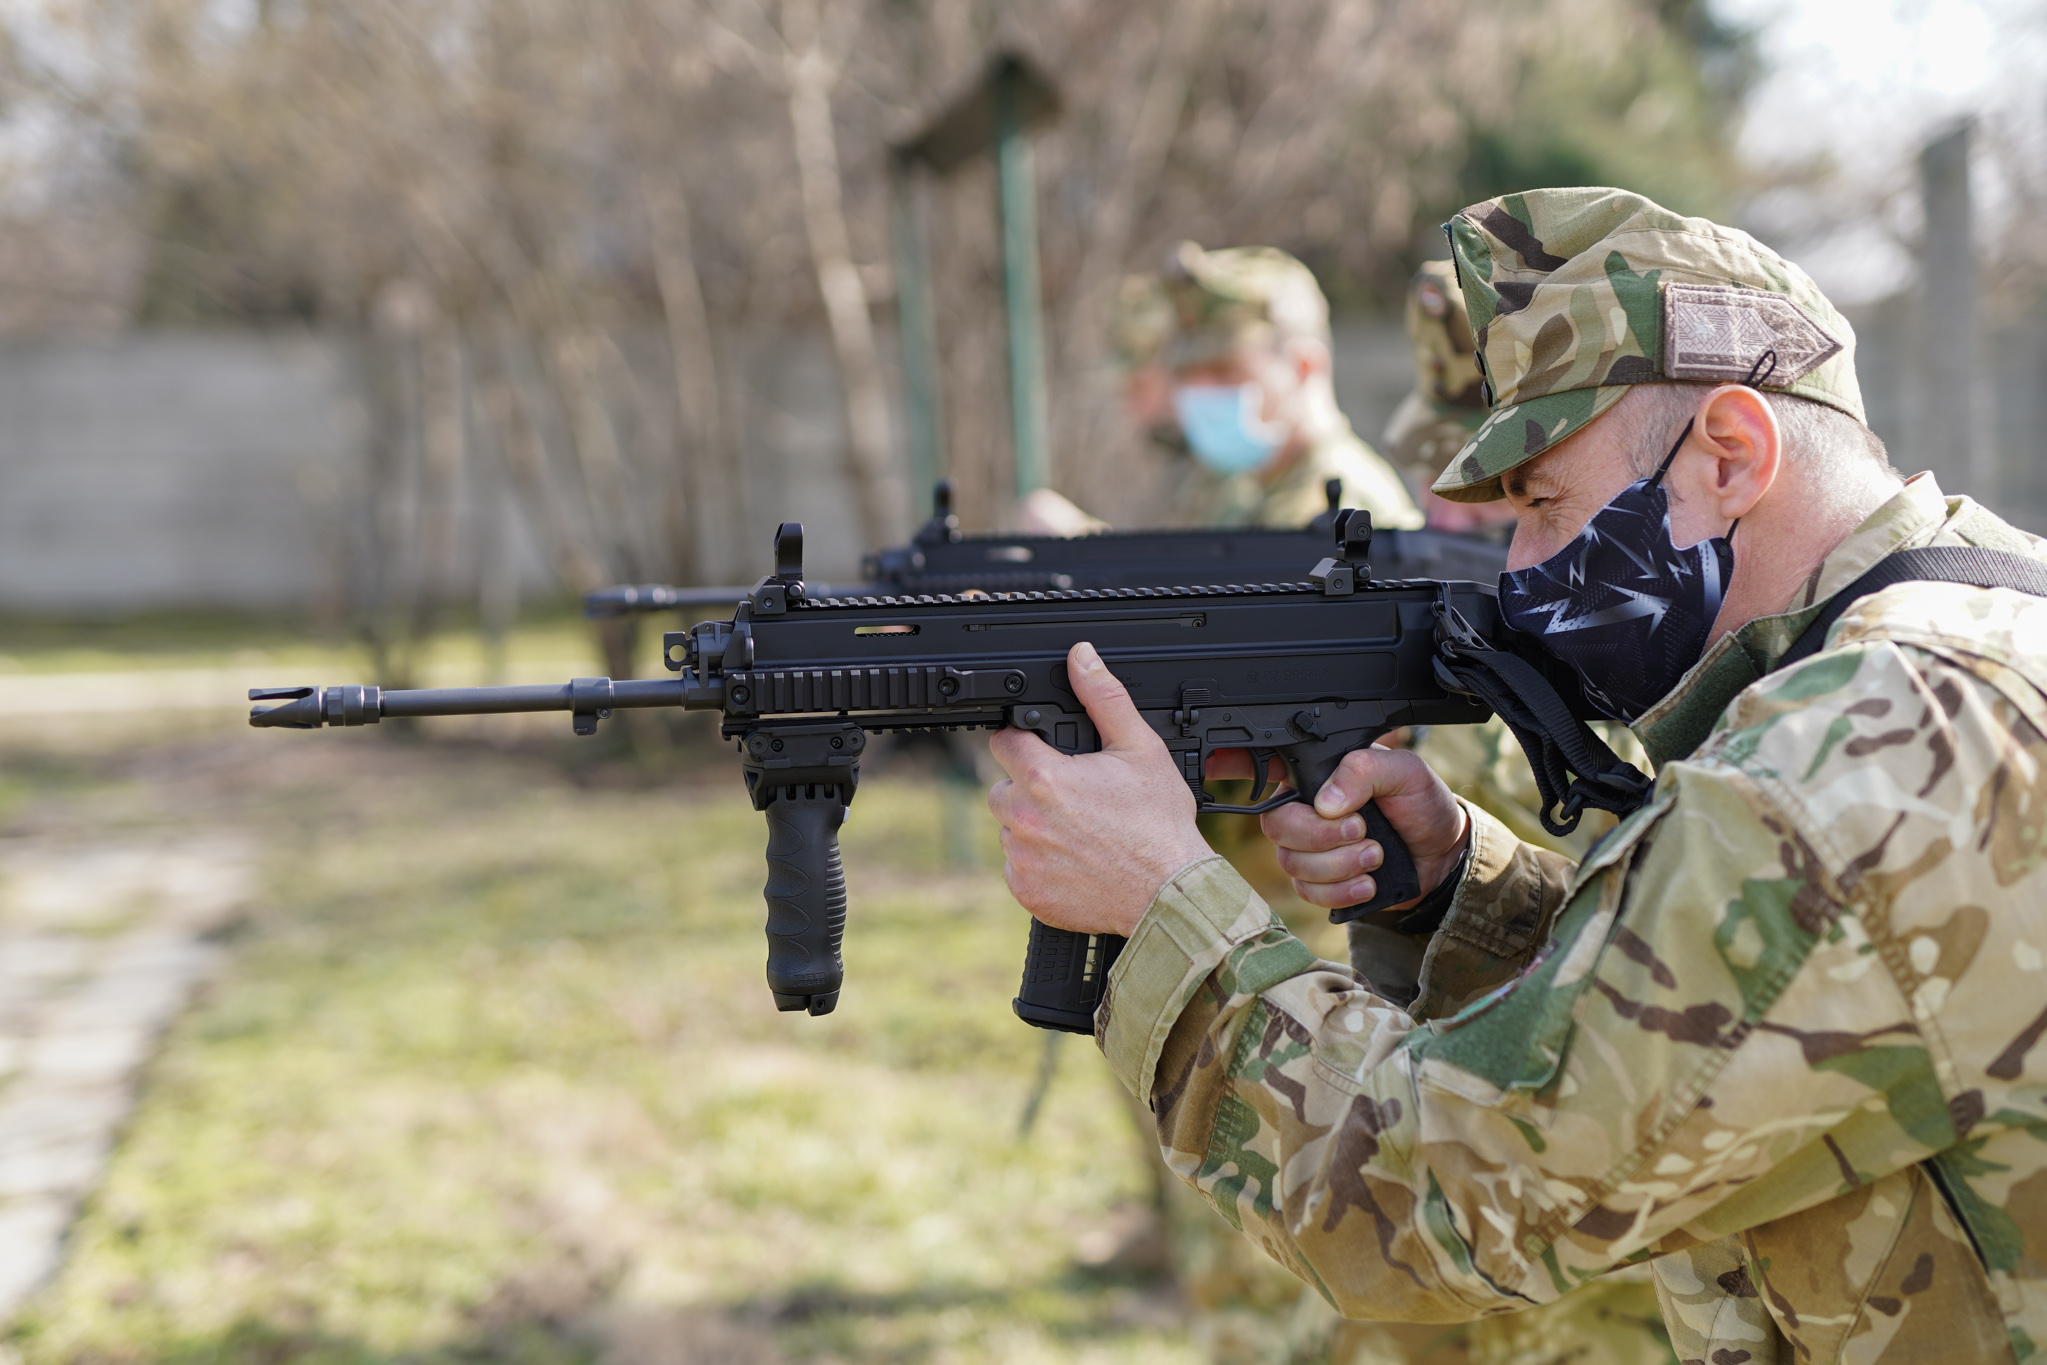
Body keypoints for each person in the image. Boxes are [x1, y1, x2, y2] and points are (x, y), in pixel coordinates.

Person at [989, 187, 2047, 1362]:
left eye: (1543, 504)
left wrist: (1163, 905)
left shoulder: (1836, 765)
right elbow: (1786, 1008)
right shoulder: (1979, 622)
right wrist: (1461, 889)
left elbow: (1438, 1200)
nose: (1518, 566)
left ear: (1732, 454)